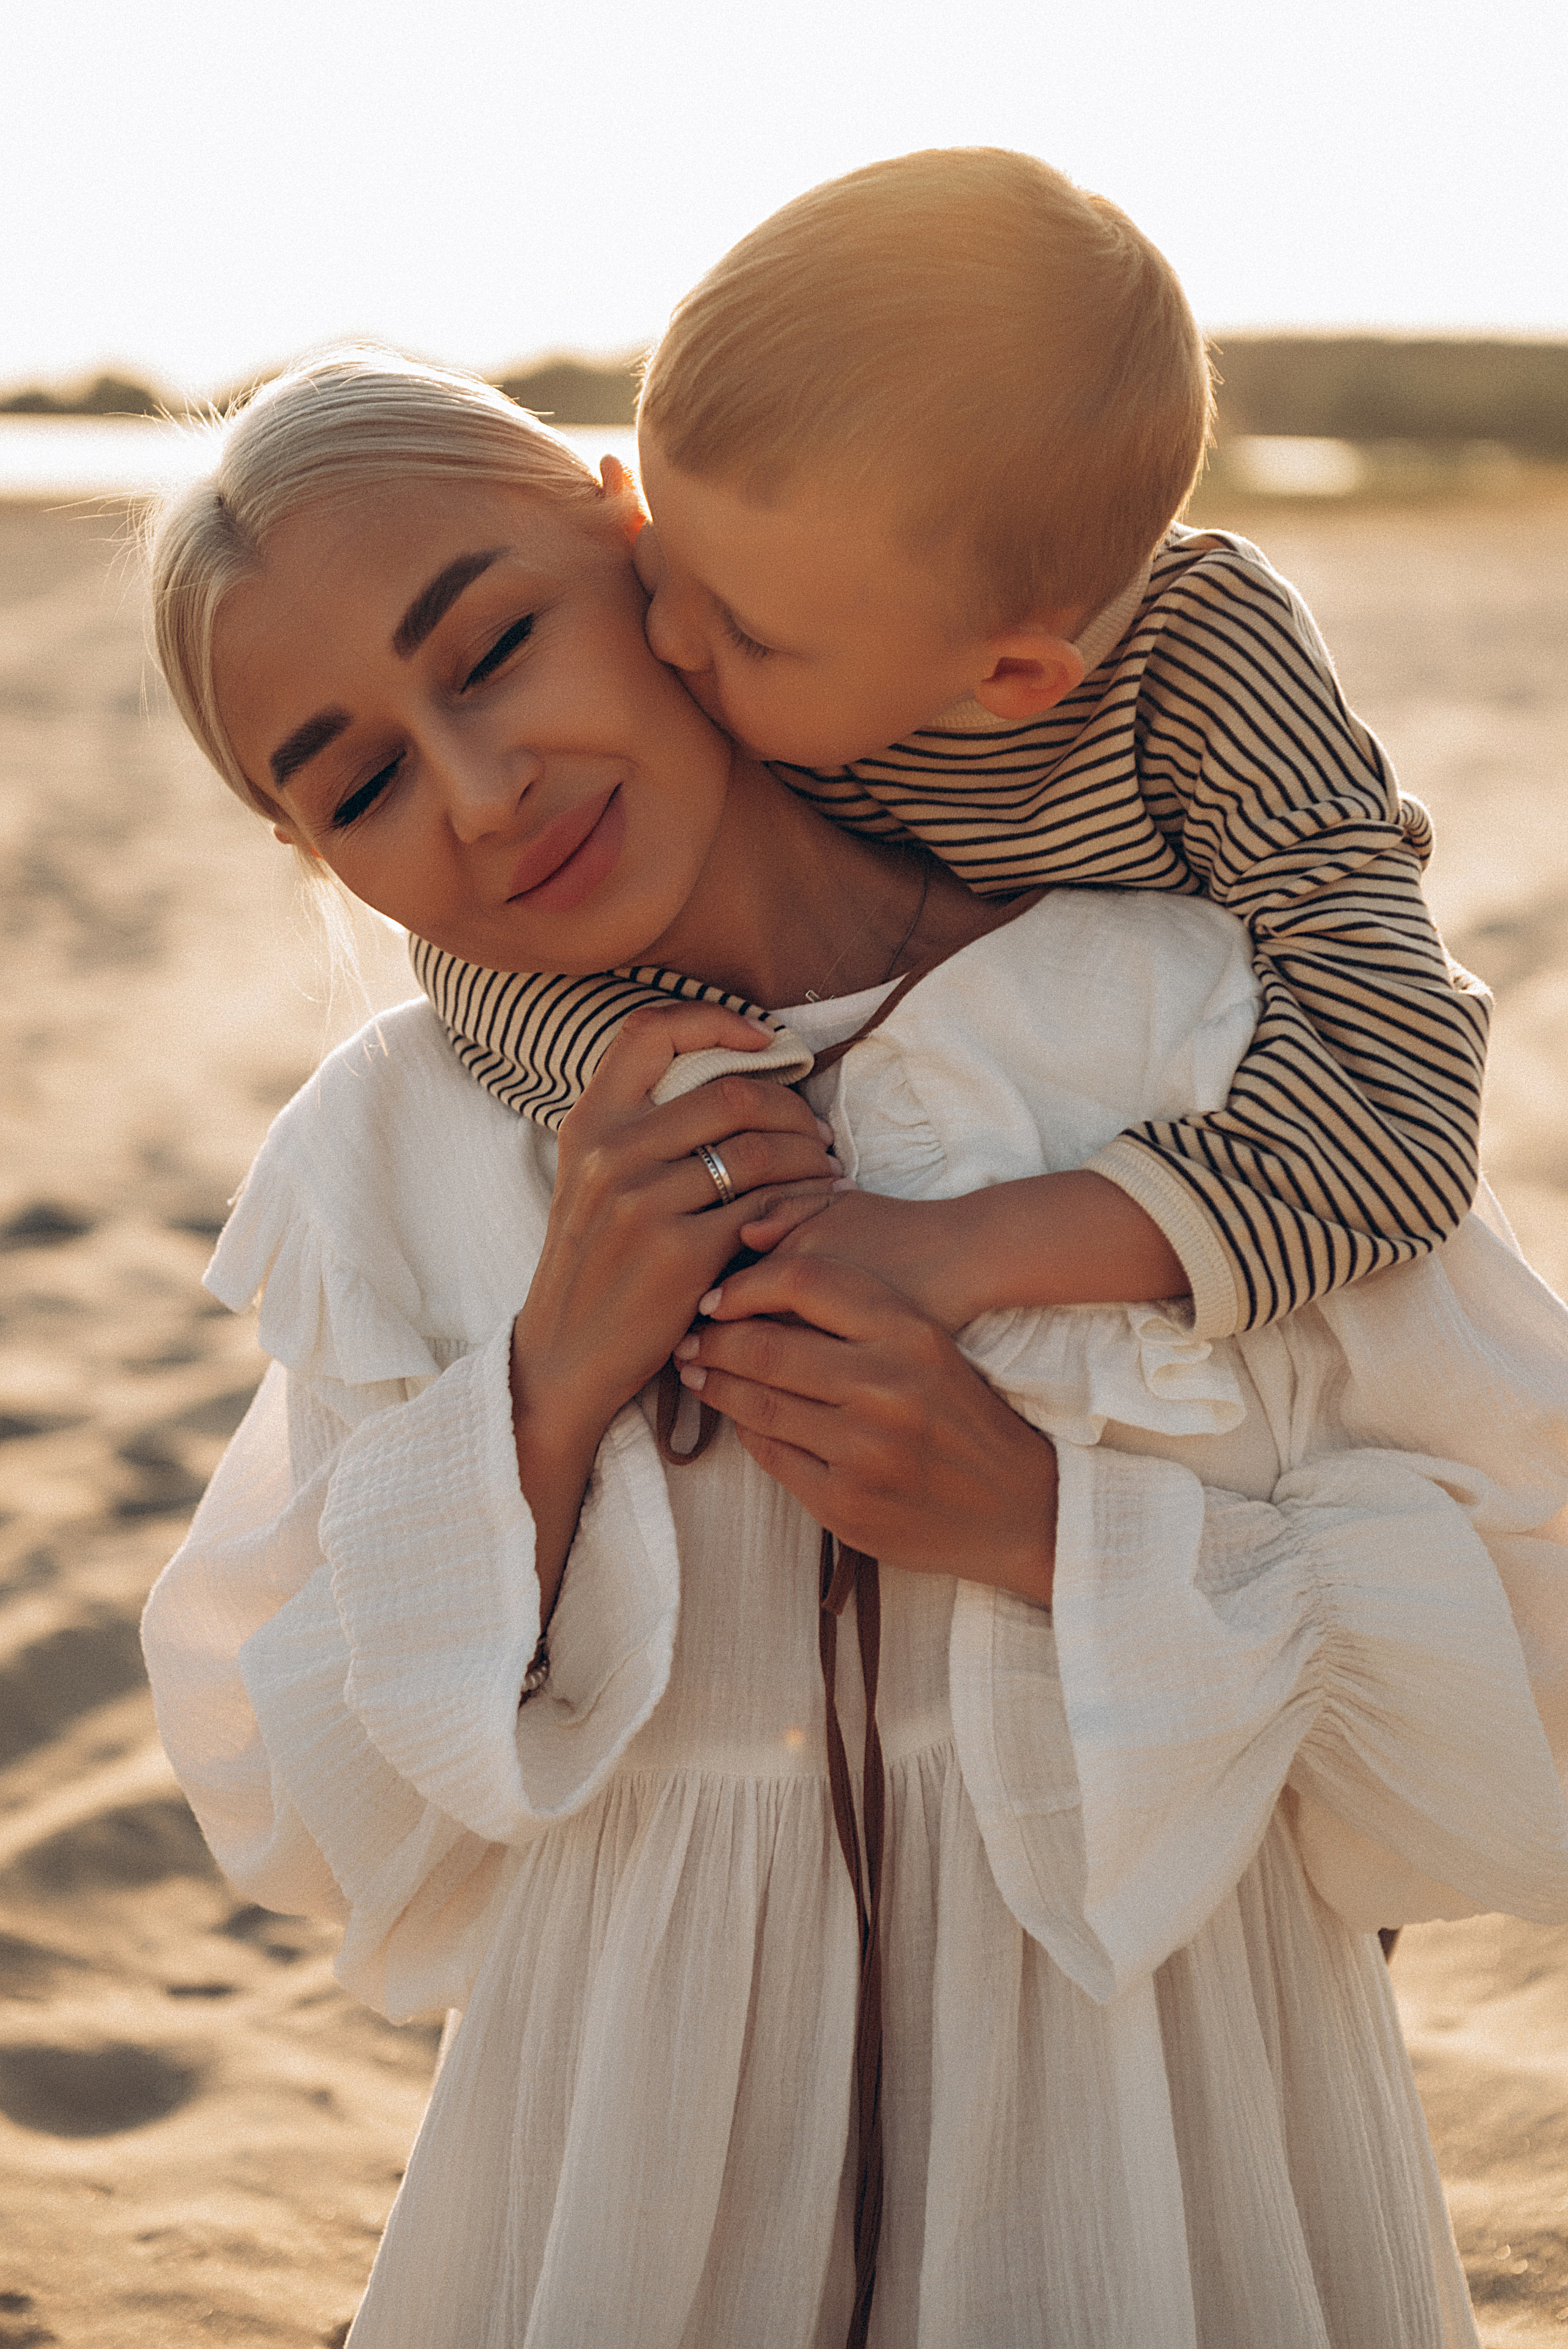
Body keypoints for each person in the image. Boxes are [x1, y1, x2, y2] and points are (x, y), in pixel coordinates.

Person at [140, 352, 1568, 2349]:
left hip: (1152, 2132)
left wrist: (1053, 1528)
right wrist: (549, 1391)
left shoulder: (1188, 1031)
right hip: (628, 2160)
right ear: (316, 856)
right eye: (358, 779)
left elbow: (1534, 1645)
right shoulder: (403, 1146)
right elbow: (319, 1798)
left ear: (640, 543)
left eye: (492, 648)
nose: (479, 791)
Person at [413, 146, 1490, 1351]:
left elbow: (1400, 1108)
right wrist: (694, 1079)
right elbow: (473, 933)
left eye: (744, 634)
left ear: (1011, 676)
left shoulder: (1209, 671)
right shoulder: (763, 618)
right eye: (659, 551)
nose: (663, 636)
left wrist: (959, 1246)